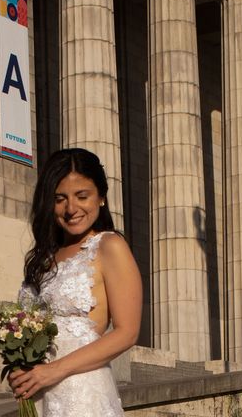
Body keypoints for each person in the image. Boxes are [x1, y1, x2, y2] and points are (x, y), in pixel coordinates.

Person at [9, 148, 143, 416]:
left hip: (82, 394)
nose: (71, 209)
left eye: (82, 196)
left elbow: (127, 333)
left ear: (101, 197)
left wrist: (54, 371)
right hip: (39, 394)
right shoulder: (44, 258)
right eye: (60, 199)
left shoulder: (109, 246)